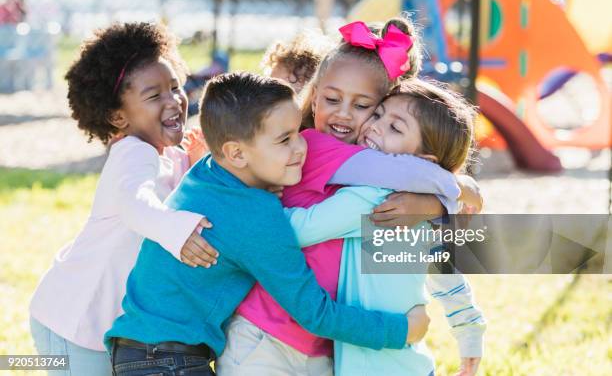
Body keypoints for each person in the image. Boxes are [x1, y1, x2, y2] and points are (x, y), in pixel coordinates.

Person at [105, 72, 430, 376]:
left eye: (297, 134)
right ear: (236, 153)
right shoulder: (254, 217)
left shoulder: (209, 171)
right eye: (285, 139)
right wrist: (402, 330)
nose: (301, 147)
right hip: (168, 360)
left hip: (143, 350)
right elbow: (314, 313)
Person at [220, 18, 481, 375]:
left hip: (326, 346)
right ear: (315, 95)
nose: (344, 114)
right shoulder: (314, 146)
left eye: (365, 108)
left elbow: (442, 264)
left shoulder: (373, 177)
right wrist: (454, 191)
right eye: (331, 99)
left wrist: (432, 204)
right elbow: (406, 171)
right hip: (267, 336)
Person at [29, 22, 219, 376]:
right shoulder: (133, 153)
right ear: (119, 117)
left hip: (101, 325)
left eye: (175, 87)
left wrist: (196, 164)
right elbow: (136, 205)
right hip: (73, 322)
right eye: (154, 96)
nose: (173, 100)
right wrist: (178, 230)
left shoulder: (169, 154)